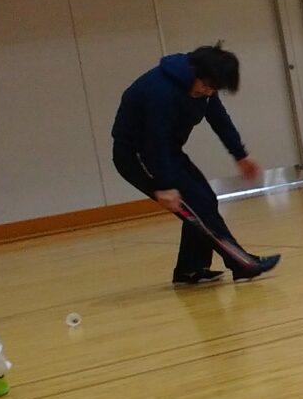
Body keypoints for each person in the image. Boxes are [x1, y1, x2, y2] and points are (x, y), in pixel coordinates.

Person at [109, 44, 279, 287]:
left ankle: (191, 268)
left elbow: (219, 119)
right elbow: (155, 140)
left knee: (205, 200)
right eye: (206, 86)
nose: (208, 92)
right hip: (137, 156)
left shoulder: (205, 85)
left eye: (213, 89)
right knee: (197, 207)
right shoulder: (162, 91)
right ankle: (242, 264)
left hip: (167, 151)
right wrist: (164, 186)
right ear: (194, 72)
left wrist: (240, 155)